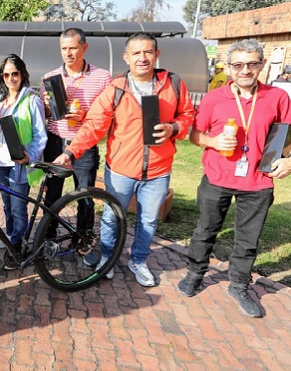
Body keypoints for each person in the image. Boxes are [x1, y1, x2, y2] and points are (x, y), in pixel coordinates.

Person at [53, 32, 195, 286]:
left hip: (158, 170)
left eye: (148, 52)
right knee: (111, 217)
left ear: (156, 54)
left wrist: (174, 128)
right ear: (126, 57)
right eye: (136, 53)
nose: (142, 58)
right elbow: (94, 125)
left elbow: (187, 116)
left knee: (148, 220)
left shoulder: (173, 83)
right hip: (120, 168)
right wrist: (70, 152)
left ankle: (138, 260)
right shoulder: (116, 88)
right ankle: (107, 257)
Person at [178, 39, 291, 318]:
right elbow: (195, 135)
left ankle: (239, 285)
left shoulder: (277, 97)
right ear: (229, 67)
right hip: (217, 177)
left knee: (248, 239)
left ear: (261, 65)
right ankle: (195, 274)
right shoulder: (214, 98)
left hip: (257, 182)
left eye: (251, 63)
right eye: (238, 64)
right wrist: (213, 141)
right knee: (205, 231)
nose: (244, 70)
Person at [39, 28, 112, 245]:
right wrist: (47, 107)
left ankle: (82, 240)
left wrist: (85, 114)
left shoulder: (102, 77)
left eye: (73, 48)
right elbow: (47, 116)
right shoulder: (50, 77)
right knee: (51, 195)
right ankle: (48, 239)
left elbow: (106, 117)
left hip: (85, 145)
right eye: (64, 48)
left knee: (84, 197)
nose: (68, 53)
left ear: (84, 47)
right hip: (55, 141)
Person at [0, 54, 47, 261]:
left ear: (22, 74)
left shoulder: (32, 100)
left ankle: (18, 245)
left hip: (18, 164)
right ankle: (10, 235)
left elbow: (40, 134)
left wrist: (30, 155)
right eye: (5, 74)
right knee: (7, 204)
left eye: (14, 73)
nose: (10, 78)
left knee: (18, 207)